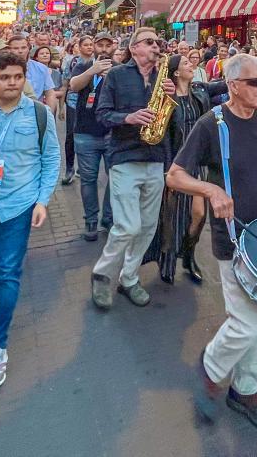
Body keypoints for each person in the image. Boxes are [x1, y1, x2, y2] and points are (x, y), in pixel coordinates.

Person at [166, 54, 257, 429]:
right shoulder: (211, 125)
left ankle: (245, 390)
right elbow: (175, 176)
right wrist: (210, 189)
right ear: (232, 86)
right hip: (234, 237)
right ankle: (211, 370)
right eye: (256, 82)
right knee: (245, 322)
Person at [0, 52, 60, 393]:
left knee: (8, 272)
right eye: (5, 77)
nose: (12, 83)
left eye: (17, 77)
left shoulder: (38, 114)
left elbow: (51, 158)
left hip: (18, 207)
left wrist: (42, 200)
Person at [90, 27, 176, 310]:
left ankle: (129, 277)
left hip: (155, 158)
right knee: (128, 225)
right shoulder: (116, 75)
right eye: (150, 42)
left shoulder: (163, 78)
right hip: (125, 157)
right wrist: (128, 117)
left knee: (148, 226)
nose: (156, 46)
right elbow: (101, 115)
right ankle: (102, 274)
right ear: (134, 47)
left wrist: (174, 96)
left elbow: (171, 121)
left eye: (158, 42)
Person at [143, 53, 218, 284]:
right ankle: (167, 264)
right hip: (176, 164)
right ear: (176, 72)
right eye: (186, 63)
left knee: (199, 214)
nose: (191, 65)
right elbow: (163, 137)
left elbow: (224, 86)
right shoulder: (167, 97)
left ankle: (188, 255)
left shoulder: (200, 90)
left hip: (198, 163)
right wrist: (166, 168)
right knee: (172, 217)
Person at [69, 45, 116, 241]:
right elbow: (74, 86)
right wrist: (93, 71)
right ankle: (90, 220)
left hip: (112, 134)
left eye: (108, 44)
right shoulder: (83, 66)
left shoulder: (118, 69)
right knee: (88, 180)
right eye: (100, 44)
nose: (104, 49)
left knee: (115, 178)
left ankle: (108, 217)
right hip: (86, 134)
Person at [60, 35, 94, 185]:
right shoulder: (72, 62)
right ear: (79, 47)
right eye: (85, 44)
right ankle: (69, 168)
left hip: (92, 103)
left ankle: (83, 166)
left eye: (91, 44)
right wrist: (61, 106)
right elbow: (66, 84)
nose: (89, 47)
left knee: (87, 134)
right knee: (71, 135)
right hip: (73, 102)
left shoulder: (98, 62)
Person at [6, 34, 57, 113]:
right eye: (16, 48)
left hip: (35, 111)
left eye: (23, 47)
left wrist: (49, 114)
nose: (20, 51)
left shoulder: (41, 68)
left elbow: (50, 93)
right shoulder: (2, 69)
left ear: (28, 48)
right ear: (9, 50)